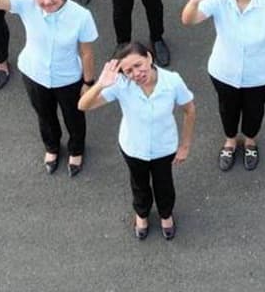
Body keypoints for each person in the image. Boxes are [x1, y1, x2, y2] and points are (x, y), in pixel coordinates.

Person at [181, 0, 265, 172]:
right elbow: (188, 20)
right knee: (227, 109)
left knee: (254, 111)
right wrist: (194, 1)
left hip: (257, 75)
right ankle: (230, 141)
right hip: (223, 72)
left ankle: (250, 141)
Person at [78, 41, 196, 240]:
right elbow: (83, 105)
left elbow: (189, 110)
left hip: (164, 147)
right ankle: (141, 214)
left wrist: (185, 145)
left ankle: (166, 215)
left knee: (164, 184)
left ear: (149, 57)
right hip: (133, 147)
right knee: (139, 183)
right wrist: (100, 84)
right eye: (128, 70)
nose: (136, 73)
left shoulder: (172, 81)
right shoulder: (121, 85)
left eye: (138, 65)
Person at [0, 0, 97, 176]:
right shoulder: (27, 3)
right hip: (34, 73)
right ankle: (52, 147)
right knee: (44, 115)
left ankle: (76, 150)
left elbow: (87, 53)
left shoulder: (81, 16)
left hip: (68, 77)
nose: (46, 0)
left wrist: (88, 83)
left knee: (74, 117)